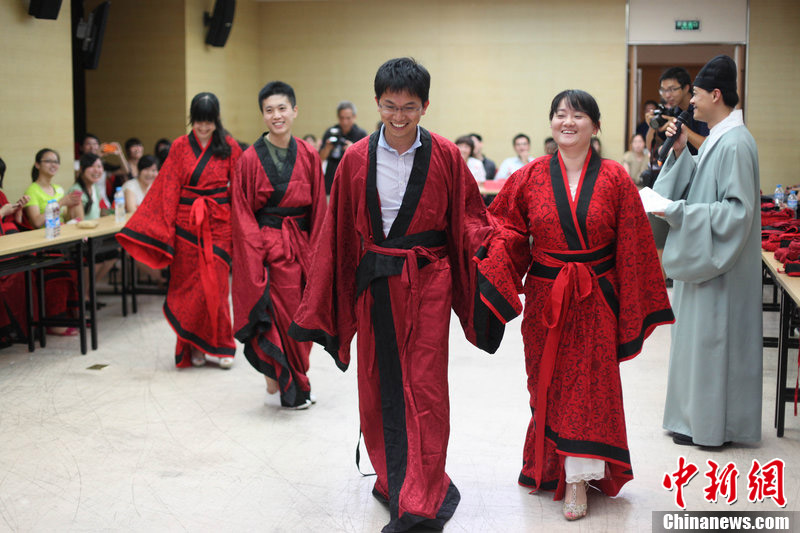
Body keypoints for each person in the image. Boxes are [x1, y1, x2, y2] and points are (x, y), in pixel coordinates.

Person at [289, 57, 502, 532]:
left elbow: (470, 221)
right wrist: (326, 296)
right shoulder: (356, 158)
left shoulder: (447, 156)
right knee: (379, 384)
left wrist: (496, 256)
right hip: (378, 282)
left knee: (424, 385)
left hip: (430, 279)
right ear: (377, 103)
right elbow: (337, 231)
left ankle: (421, 493)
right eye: (389, 106)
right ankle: (394, 476)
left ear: (425, 105)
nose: (399, 117)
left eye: (409, 107)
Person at [475, 90, 673, 521]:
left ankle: (578, 482)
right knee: (545, 384)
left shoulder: (617, 179)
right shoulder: (528, 176)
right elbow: (506, 227)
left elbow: (635, 245)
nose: (568, 122)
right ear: (551, 123)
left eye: (578, 115)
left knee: (586, 391)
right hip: (546, 297)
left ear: (595, 126)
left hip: (594, 300)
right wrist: (493, 266)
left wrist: (624, 302)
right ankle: (548, 465)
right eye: (560, 114)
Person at [653, 55, 762, 448]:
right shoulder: (719, 137)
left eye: (696, 96)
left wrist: (677, 212)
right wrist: (681, 150)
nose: (691, 104)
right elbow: (704, 182)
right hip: (706, 261)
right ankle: (691, 419)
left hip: (721, 268)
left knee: (713, 346)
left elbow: (737, 213)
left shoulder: (735, 143)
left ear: (716, 94)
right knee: (698, 345)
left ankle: (712, 426)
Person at [117, 92, 242, 369]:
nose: (203, 127)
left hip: (219, 225)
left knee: (218, 287)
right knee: (188, 288)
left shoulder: (230, 146)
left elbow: (240, 188)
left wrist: (241, 226)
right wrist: (163, 230)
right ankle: (193, 346)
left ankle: (223, 344)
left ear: (217, 120)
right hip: (186, 227)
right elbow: (168, 188)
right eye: (198, 121)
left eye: (209, 121)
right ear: (192, 120)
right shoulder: (179, 147)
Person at [231, 81, 326, 410]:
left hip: (302, 245)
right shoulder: (248, 160)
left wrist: (317, 255)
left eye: (282, 108)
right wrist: (255, 255)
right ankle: (294, 387)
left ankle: (291, 376)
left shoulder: (310, 155)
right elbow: (242, 214)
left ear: (295, 111)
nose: (277, 115)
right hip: (268, 247)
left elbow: (319, 209)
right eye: (269, 110)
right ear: (262, 115)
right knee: (282, 319)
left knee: (305, 315)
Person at [23, 149, 82, 335]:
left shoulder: (58, 189)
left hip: (61, 242)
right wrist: (62, 202)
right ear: (37, 164)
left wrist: (74, 206)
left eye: (56, 161)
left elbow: (67, 217)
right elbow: (37, 222)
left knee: (76, 269)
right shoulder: (32, 191)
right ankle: (54, 322)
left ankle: (71, 315)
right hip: (43, 247)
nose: (53, 164)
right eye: (48, 161)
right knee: (59, 275)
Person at [68, 153, 118, 303]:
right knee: (96, 259)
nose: (97, 170)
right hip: (81, 238)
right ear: (82, 169)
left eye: (100, 166)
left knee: (113, 254)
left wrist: (113, 212)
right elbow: (80, 222)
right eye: (92, 166)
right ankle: (83, 294)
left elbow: (100, 212)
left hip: (94, 235)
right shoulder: (76, 191)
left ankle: (88, 289)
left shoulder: (94, 188)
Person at [0, 157, 32, 346]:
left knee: (24, 271)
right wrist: (2, 213)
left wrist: (18, 210)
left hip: (6, 250)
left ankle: (19, 328)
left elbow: (10, 224)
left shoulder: (1, 195)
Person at [122, 155, 166, 286]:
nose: (150, 174)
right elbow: (131, 210)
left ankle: (164, 276)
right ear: (139, 171)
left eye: (153, 170)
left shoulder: (155, 186)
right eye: (146, 170)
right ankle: (160, 278)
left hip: (149, 229)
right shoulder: (130, 186)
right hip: (131, 231)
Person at [645, 67, 709, 156]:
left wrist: (680, 126)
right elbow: (653, 150)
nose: (667, 95)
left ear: (686, 88)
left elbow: (708, 147)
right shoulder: (672, 112)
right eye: (663, 90)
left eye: (672, 89)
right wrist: (652, 126)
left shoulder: (701, 109)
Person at [319, 101, 368, 193]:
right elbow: (320, 158)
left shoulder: (361, 134)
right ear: (338, 117)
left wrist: (353, 150)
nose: (345, 122)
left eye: (348, 118)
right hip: (332, 179)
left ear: (354, 117)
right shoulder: (331, 132)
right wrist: (327, 148)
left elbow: (366, 160)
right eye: (342, 118)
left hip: (352, 179)